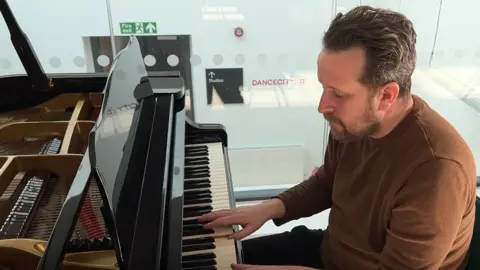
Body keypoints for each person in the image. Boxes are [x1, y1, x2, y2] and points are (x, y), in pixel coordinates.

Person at [198, 5, 478, 270]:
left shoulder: (437, 169)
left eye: (339, 94)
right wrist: (271, 208)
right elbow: (328, 181)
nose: (323, 106)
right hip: (331, 252)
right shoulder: (354, 125)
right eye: (323, 87)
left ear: (386, 96)